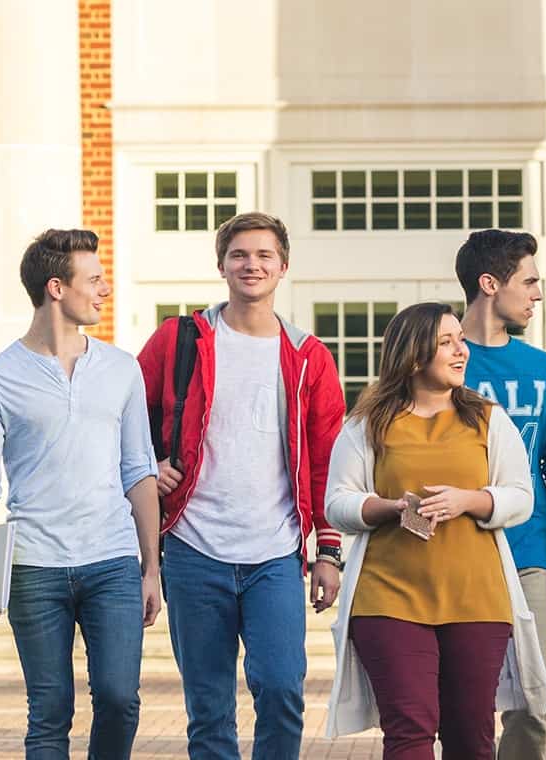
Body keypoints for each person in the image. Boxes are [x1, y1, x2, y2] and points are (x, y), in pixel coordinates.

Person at [136, 212, 345, 759]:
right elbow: (123, 413)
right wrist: (149, 463)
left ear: (283, 267)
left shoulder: (309, 357)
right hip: (192, 547)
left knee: (280, 689)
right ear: (222, 264)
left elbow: (327, 460)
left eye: (264, 256)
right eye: (239, 255)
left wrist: (329, 550)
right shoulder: (180, 340)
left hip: (275, 554)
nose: (251, 265)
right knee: (209, 710)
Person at [0, 228, 161, 759]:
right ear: (56, 287)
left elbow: (139, 470)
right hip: (34, 566)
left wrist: (151, 566)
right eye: (93, 279)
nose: (105, 289)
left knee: (120, 699)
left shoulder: (122, 369)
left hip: (112, 562)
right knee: (49, 713)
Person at [321, 302, 546, 760]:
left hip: (477, 600)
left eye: (460, 340)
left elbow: (521, 496)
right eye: (446, 342)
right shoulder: (368, 424)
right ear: (413, 355)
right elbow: (337, 504)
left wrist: (468, 500)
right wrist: (388, 507)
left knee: (471, 737)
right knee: (408, 732)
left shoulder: (488, 418)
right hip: (388, 598)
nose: (461, 351)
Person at [454, 229, 546, 759]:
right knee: (465, 703)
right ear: (490, 283)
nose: (536, 293)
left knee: (531, 703)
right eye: (529, 281)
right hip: (451, 555)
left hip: (527, 556)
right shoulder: (438, 359)